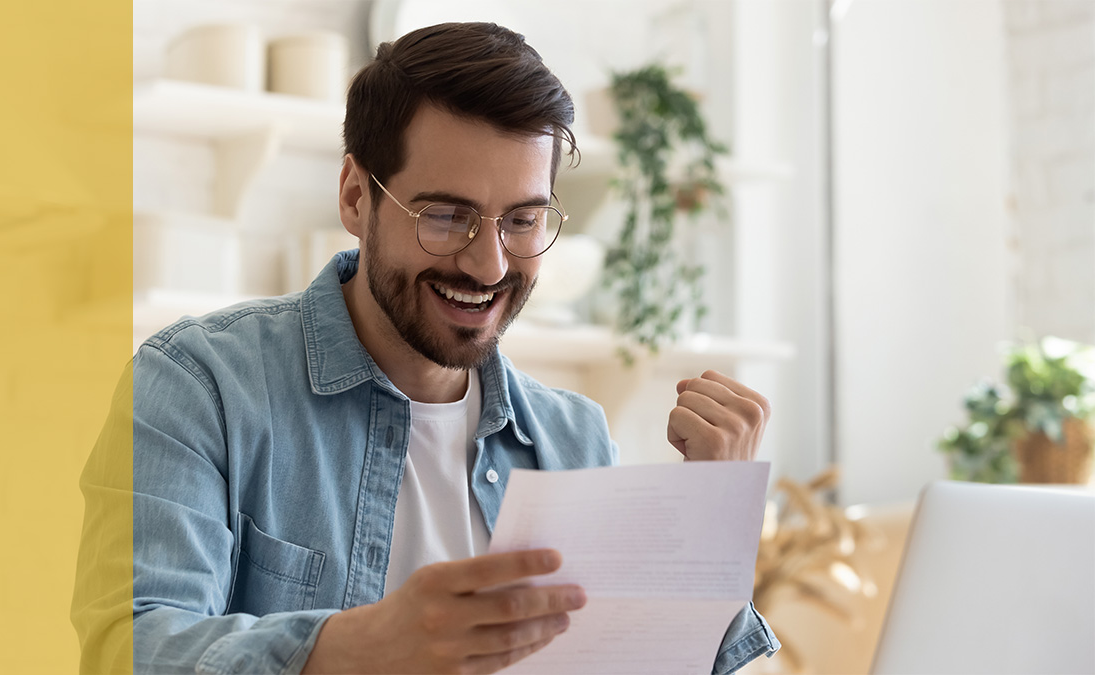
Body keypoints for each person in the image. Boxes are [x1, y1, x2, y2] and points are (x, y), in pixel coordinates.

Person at [73, 21, 779, 675]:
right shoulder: (200, 386)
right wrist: (359, 647)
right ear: (355, 195)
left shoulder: (572, 437)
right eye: (447, 216)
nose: (489, 265)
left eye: (523, 220)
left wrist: (709, 524)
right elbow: (126, 647)